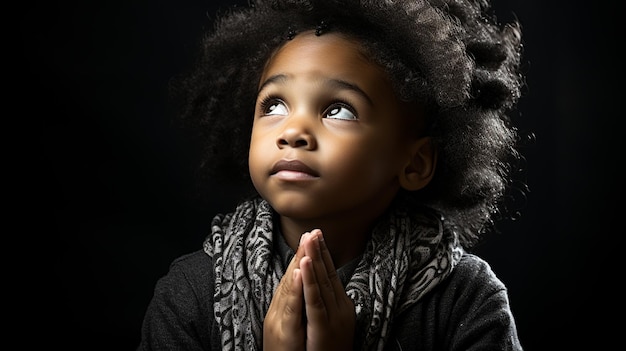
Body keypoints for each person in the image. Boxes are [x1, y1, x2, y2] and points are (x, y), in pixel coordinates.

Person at [137, 0, 528, 350]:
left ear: (415, 163)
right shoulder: (189, 295)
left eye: (338, 110)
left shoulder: (466, 301)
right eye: (274, 105)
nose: (293, 132)